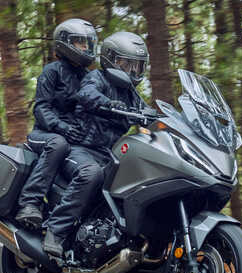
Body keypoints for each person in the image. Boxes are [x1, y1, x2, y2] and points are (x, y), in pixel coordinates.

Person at [42, 31, 150, 257]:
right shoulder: (96, 78)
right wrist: (109, 103)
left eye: (137, 67)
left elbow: (146, 110)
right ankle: (55, 231)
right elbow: (86, 93)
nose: (133, 71)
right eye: (127, 64)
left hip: (107, 154)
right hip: (80, 149)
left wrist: (160, 118)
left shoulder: (131, 94)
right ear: (111, 59)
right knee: (91, 174)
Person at [14, 18, 98, 228]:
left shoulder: (88, 76)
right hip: (44, 134)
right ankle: (30, 203)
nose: (85, 47)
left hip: (72, 137)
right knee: (58, 144)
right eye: (80, 42)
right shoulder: (52, 71)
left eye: (88, 43)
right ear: (65, 42)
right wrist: (63, 128)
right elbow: (41, 108)